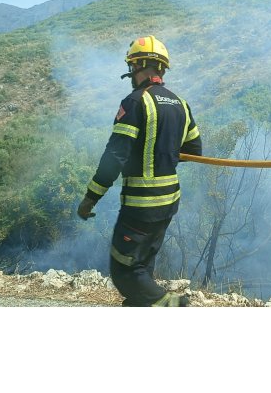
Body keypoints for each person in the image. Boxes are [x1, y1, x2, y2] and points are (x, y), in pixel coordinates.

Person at [77, 35, 202, 307]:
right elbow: (194, 150)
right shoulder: (181, 103)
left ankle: (175, 306)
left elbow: (114, 157)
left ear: (140, 66)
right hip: (169, 202)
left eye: (133, 66)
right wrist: (164, 151)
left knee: (126, 273)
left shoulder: (135, 102)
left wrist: (90, 198)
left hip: (141, 205)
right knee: (143, 266)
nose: (131, 73)